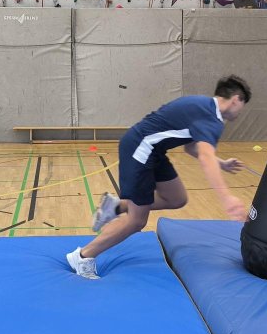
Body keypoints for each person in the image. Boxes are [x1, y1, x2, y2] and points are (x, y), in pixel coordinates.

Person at [66, 76, 252, 280]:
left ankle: (116, 206)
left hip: (154, 151)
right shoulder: (211, 118)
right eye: (243, 106)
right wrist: (227, 198)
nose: (240, 112)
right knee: (137, 221)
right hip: (140, 149)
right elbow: (205, 158)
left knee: (177, 198)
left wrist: (221, 163)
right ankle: (83, 256)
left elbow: (191, 148)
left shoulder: (203, 106)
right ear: (236, 99)